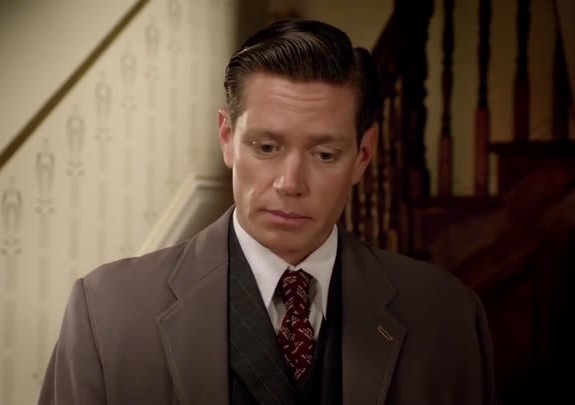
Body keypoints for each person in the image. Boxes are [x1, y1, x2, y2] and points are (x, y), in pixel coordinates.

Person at [38, 19, 499, 405]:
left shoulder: (449, 317)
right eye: (266, 147)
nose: (290, 183)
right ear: (227, 138)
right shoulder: (106, 312)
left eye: (324, 154)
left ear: (363, 156)